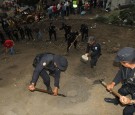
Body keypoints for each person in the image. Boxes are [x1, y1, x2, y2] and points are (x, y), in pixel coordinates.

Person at [104, 47, 135, 115]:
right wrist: (113, 83)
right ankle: (116, 101)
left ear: (126, 63)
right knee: (120, 91)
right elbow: (121, 73)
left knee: (127, 112)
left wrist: (131, 101)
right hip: (129, 84)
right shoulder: (125, 66)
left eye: (121, 62)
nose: (120, 63)